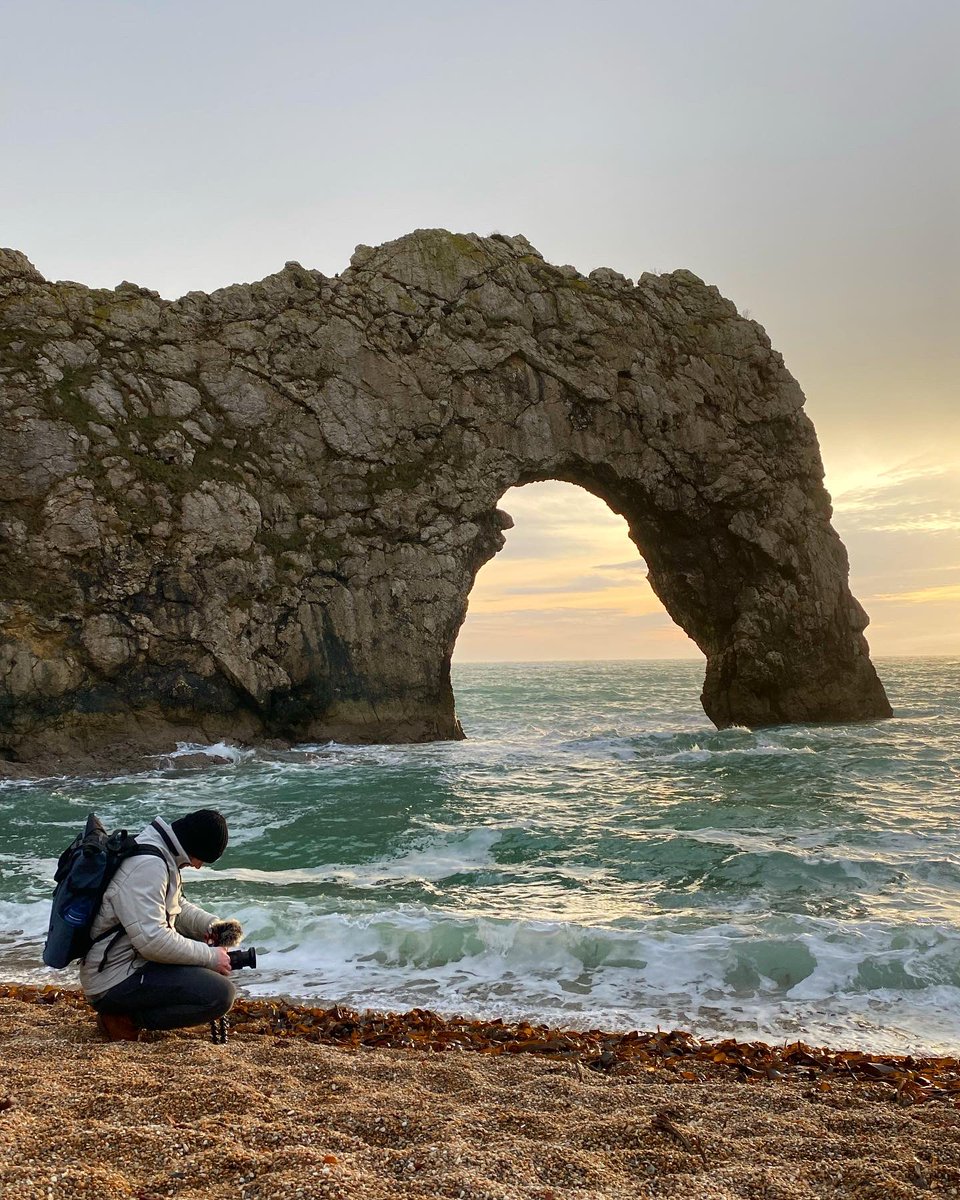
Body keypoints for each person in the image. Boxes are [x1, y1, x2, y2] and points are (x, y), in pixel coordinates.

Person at [79, 808, 239, 1041]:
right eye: (202, 858)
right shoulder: (147, 866)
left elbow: (176, 907)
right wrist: (211, 957)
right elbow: (153, 940)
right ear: (194, 846)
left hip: (127, 964)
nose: (198, 866)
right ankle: (122, 1018)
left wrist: (212, 927)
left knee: (201, 950)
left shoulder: (158, 852)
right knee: (219, 995)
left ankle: (126, 1012)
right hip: (113, 979)